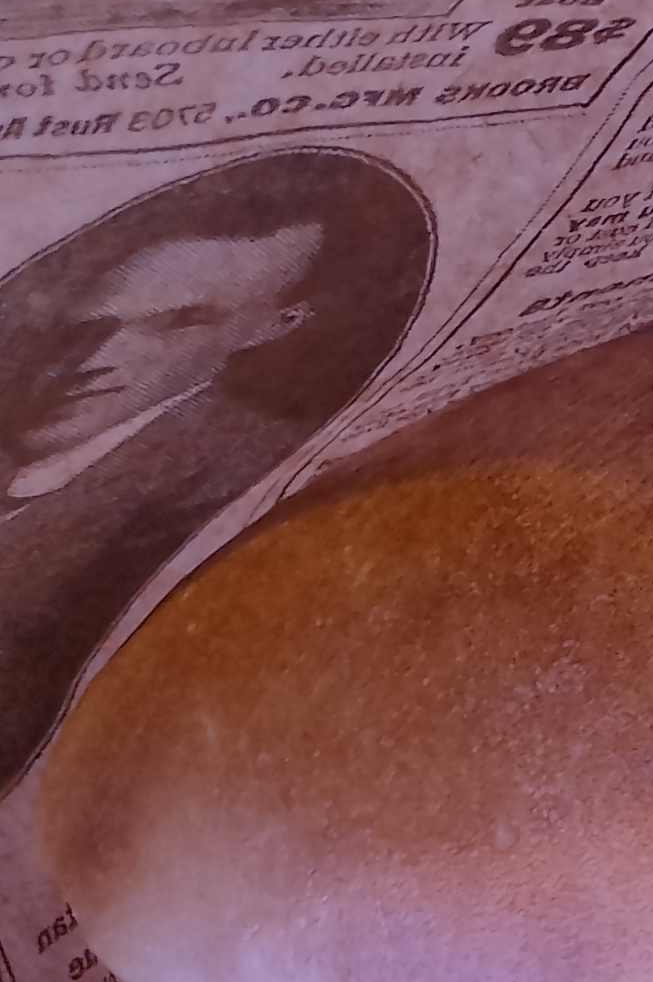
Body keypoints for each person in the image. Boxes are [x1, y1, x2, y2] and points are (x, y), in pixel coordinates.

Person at [0, 149, 433, 788]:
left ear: (274, 325)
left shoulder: (246, 468)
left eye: (173, 324)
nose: (97, 356)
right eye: (93, 319)